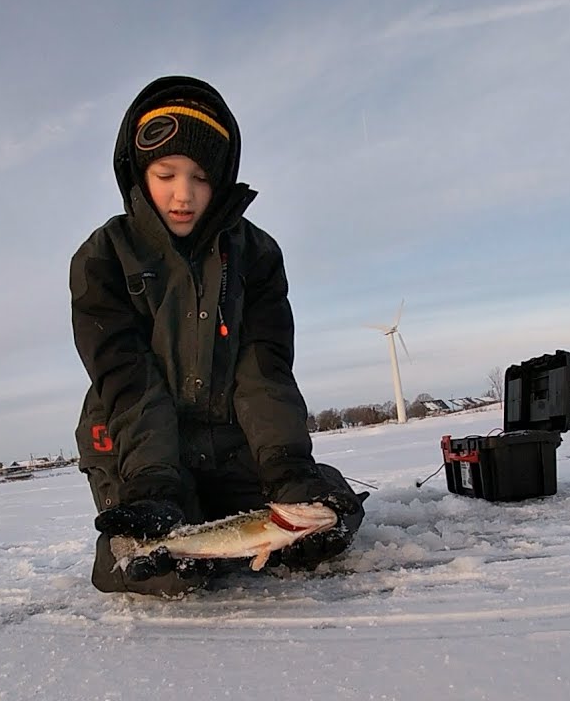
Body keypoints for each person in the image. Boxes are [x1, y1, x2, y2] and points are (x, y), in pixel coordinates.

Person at [69, 75, 366, 596]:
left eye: (202, 178)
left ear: (223, 179)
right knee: (153, 564)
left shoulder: (257, 255)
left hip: (228, 441)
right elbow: (127, 380)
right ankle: (165, 505)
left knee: (324, 518)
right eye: (166, 174)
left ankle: (272, 499)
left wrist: (287, 467)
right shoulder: (102, 257)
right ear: (139, 172)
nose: (184, 194)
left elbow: (264, 372)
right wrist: (153, 482)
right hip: (135, 446)